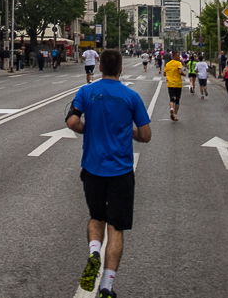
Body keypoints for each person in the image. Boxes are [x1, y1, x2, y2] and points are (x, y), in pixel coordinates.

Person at [66, 49, 151, 297]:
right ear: (121, 69)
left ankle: (94, 252)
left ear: (100, 66)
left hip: (92, 167)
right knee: (116, 227)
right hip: (121, 171)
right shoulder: (131, 96)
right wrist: (127, 132)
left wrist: (86, 128)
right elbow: (145, 135)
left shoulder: (86, 91)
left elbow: (72, 122)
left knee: (96, 217)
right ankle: (106, 285)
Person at [164, 50, 184, 121]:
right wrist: (183, 74)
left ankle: (171, 108)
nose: (179, 57)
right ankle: (175, 115)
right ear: (174, 56)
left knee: (171, 99)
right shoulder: (178, 63)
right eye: (178, 56)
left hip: (170, 84)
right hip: (178, 84)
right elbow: (180, 71)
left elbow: (164, 73)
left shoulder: (168, 64)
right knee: (177, 100)